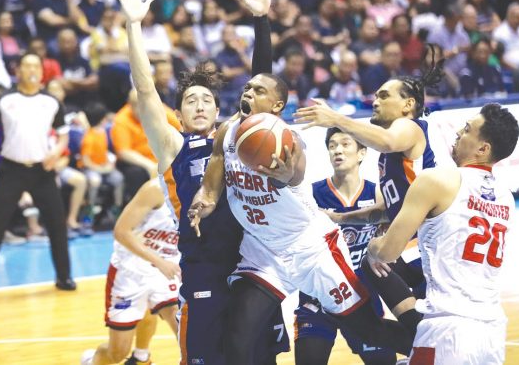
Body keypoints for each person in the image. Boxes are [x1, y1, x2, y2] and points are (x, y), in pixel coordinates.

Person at [113, 0, 289, 365]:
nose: (199, 104)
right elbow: (144, 89)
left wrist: (261, 20)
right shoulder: (174, 145)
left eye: (206, 100)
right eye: (190, 100)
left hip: (253, 262)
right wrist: (133, 26)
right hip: (204, 267)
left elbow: (264, 83)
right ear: (177, 112)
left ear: (217, 108)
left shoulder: (236, 136)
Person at [189, 71, 413, 364]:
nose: (248, 93)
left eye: (258, 90)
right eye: (247, 88)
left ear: (277, 106)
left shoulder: (288, 139)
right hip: (263, 250)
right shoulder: (228, 133)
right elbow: (210, 185)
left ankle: (430, 347)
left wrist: (284, 175)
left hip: (312, 250)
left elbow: (295, 172)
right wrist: (202, 202)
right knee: (237, 334)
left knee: (368, 332)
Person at [294, 46, 445, 337]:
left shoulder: (410, 129)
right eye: (375, 95)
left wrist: (337, 119)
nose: (375, 101)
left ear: (407, 104)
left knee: (375, 263)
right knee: (375, 288)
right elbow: (387, 210)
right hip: (415, 246)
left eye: (384, 95)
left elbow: (387, 141)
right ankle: (420, 344)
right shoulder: (390, 152)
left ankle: (425, 345)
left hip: (432, 245)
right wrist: (338, 219)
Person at [367, 103, 519, 363]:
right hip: (492, 329)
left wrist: (373, 247)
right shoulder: (506, 197)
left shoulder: (435, 180)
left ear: (483, 148)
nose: (459, 132)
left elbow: (388, 252)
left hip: (448, 328)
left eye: (468, 129)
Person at [0, 54, 75, 297]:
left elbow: (63, 135)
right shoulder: (5, 100)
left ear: (42, 71)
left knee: (57, 224)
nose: (31, 69)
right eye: (26, 65)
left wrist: (56, 153)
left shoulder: (52, 102)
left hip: (42, 171)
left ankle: (64, 276)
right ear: (18, 71)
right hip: (11, 169)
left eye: (36, 65)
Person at [295, 127, 395, 365]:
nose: (337, 150)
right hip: (317, 295)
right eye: (332, 145)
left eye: (345, 144)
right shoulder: (311, 193)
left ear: (362, 153)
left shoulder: (378, 192)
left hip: (362, 294)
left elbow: (391, 226)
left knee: (384, 361)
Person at [81, 179, 181, 365]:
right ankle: (90, 361)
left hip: (169, 271)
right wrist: (158, 262)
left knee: (186, 338)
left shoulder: (204, 189)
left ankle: (141, 357)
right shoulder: (155, 189)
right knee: (117, 353)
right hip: (131, 270)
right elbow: (121, 232)